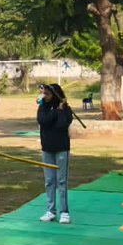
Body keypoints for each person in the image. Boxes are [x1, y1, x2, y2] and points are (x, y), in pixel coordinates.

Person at [37, 83, 73, 224]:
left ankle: (64, 212)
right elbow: (43, 121)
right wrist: (56, 111)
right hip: (47, 148)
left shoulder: (66, 109)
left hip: (62, 148)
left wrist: (61, 110)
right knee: (49, 181)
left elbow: (62, 125)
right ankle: (51, 210)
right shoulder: (43, 107)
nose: (44, 96)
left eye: (47, 94)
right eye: (44, 94)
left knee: (62, 181)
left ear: (55, 95)